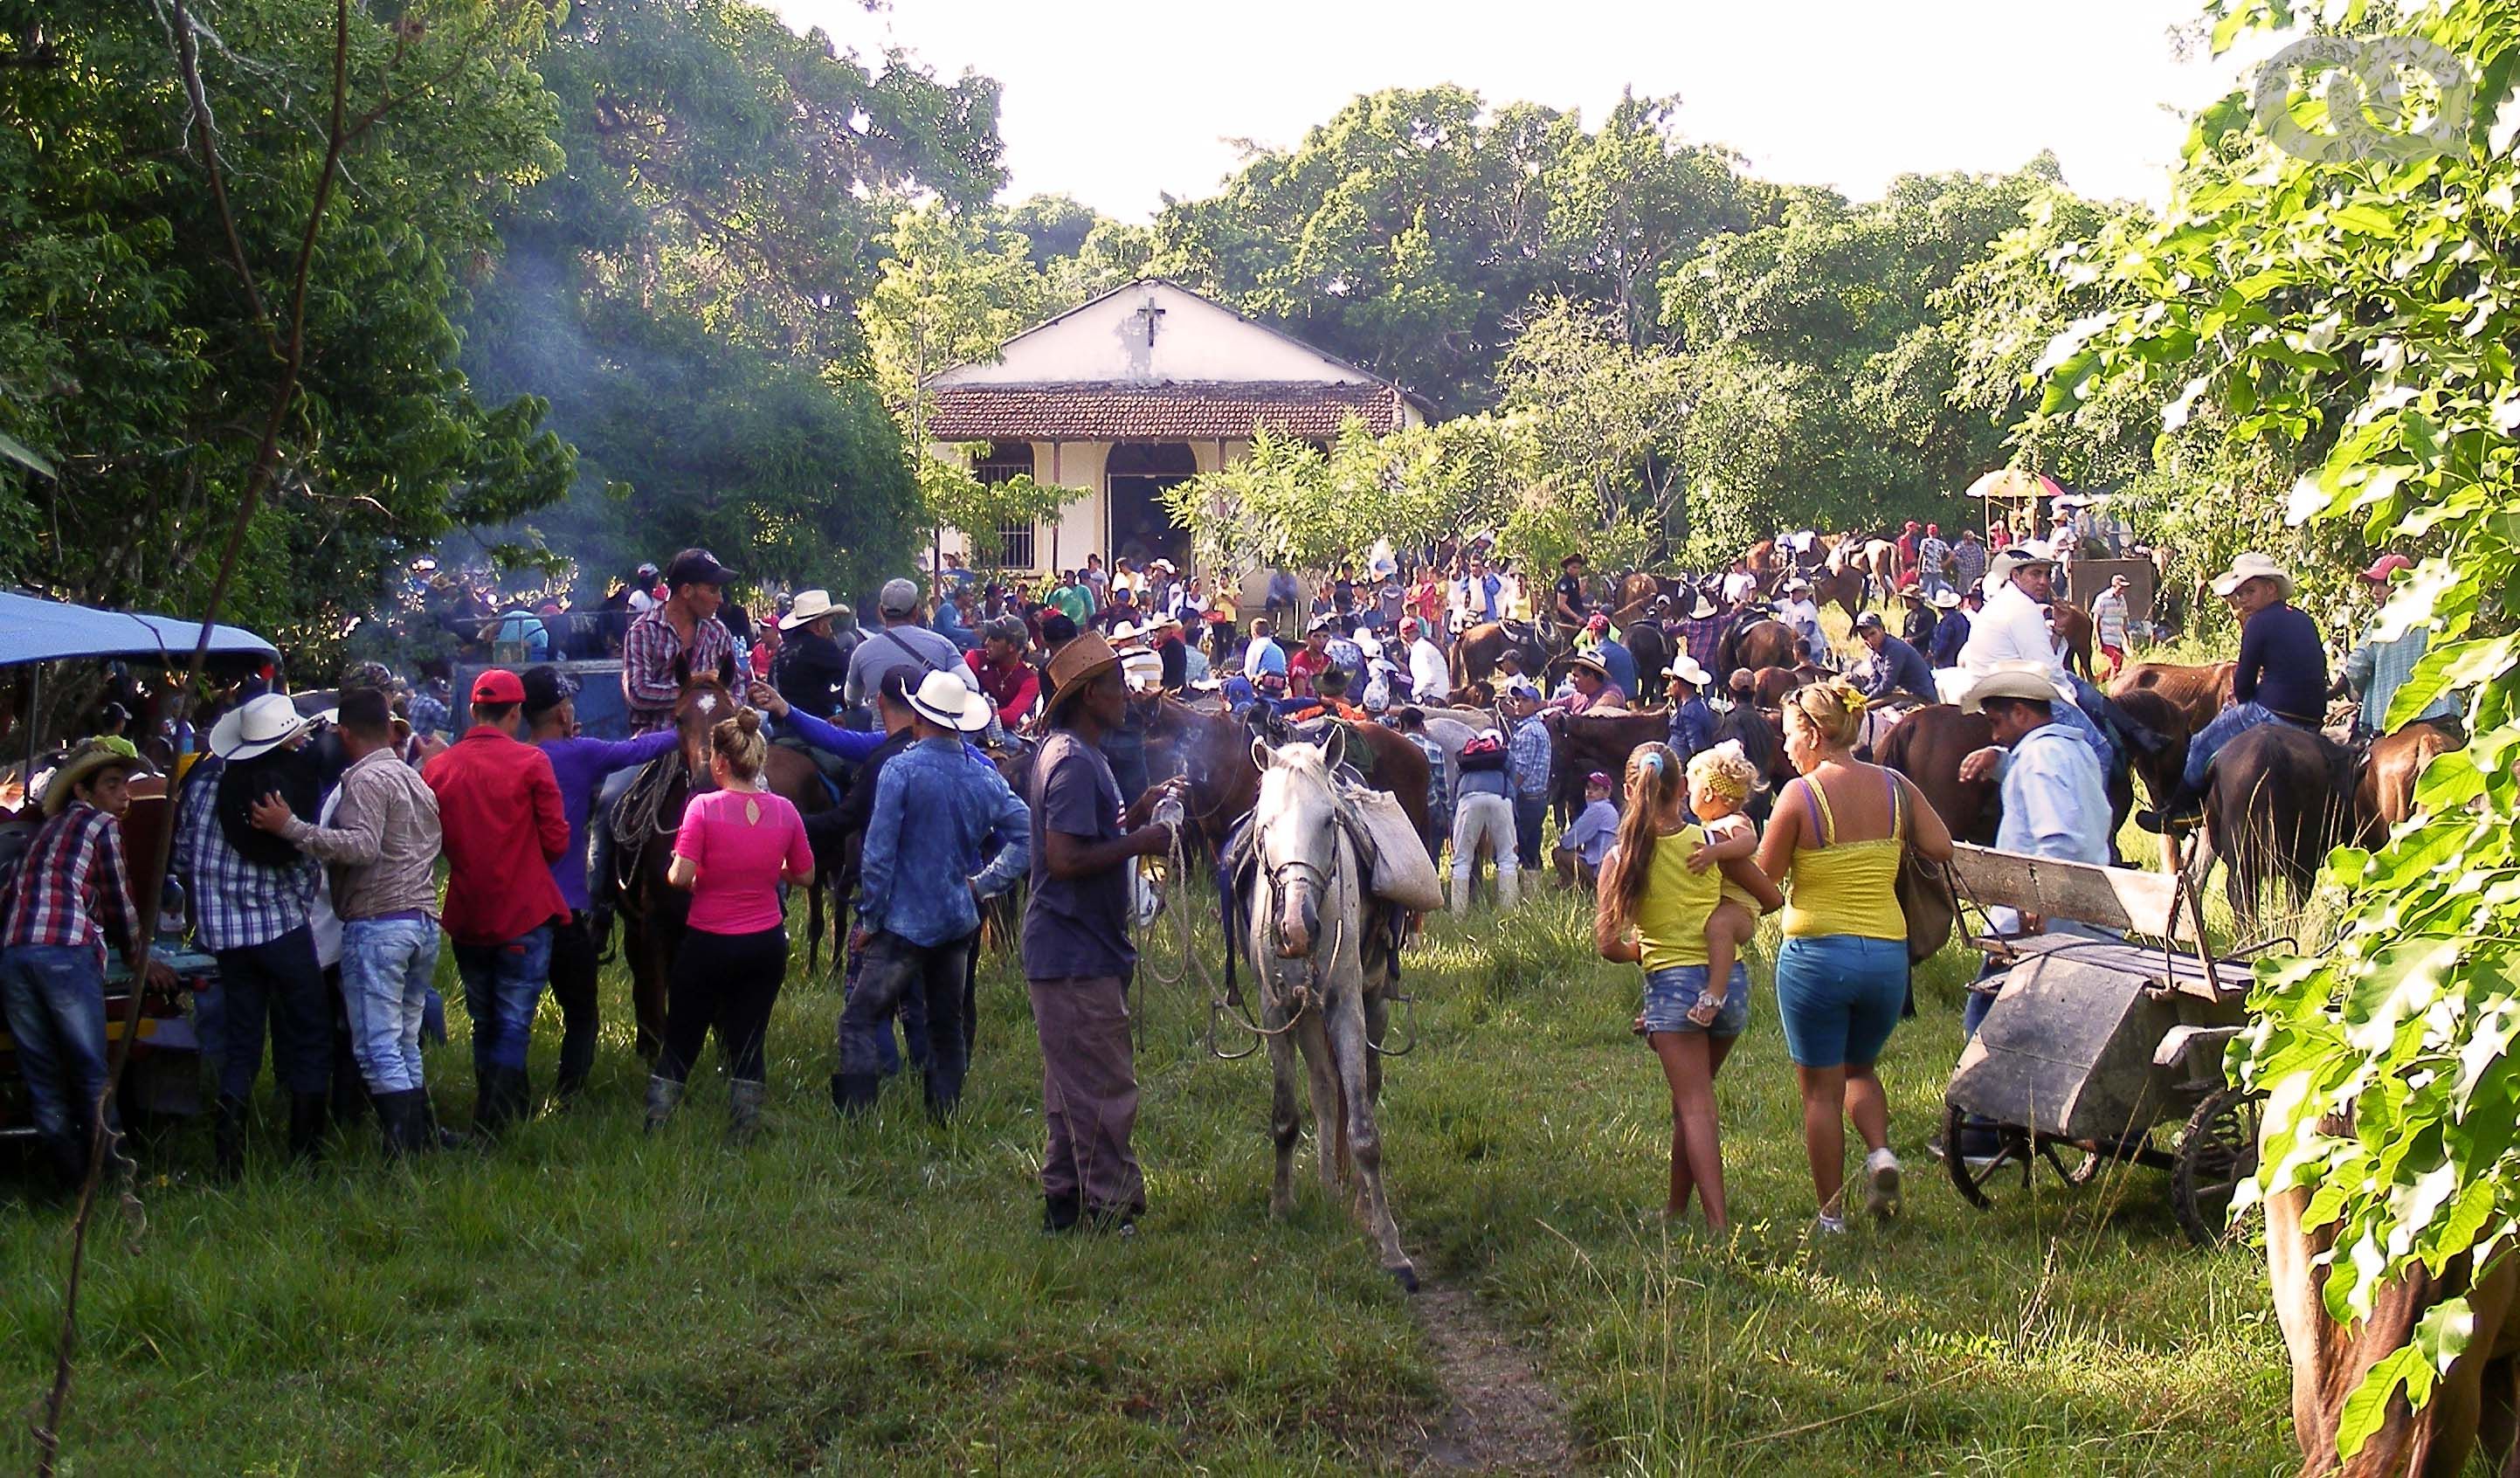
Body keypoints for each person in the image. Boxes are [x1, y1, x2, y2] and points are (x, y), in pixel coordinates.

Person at [1755, 680, 1956, 1234]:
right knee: (1860, 1068)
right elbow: (1940, 846)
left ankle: (1831, 1216)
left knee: (1820, 1090)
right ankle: (1880, 1155)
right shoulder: (1896, 785)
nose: (1785, 747)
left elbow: (1766, 882)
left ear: (1815, 735)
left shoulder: (1799, 797)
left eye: (1790, 735)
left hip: (1818, 955)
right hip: (1887, 958)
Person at [1591, 742, 1783, 1232]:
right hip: (1730, 986)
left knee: (1695, 1105)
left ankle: (1718, 1225)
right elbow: (1771, 897)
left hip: (1671, 986)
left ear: (1629, 790)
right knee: (1690, 1100)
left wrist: (1643, 952)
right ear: (1681, 790)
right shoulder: (1709, 843)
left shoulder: (1621, 858)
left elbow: (1608, 943)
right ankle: (1677, 1209)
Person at [1025, 632, 1180, 1234]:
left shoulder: (1076, 754)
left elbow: (1092, 833)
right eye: (1115, 685)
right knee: (1104, 1087)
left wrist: (1138, 809)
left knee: (1071, 1087)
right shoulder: (1071, 763)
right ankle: (1112, 1208)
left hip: (1075, 946)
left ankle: (1064, 1203)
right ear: (1089, 696)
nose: (1125, 695)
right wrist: (1141, 843)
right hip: (1073, 950)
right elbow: (1063, 859)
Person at [252, 688, 447, 1154]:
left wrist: (290, 828)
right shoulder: (414, 779)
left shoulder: (363, 780)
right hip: (421, 920)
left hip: (379, 924)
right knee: (404, 1041)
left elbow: (361, 847)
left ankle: (402, 1152)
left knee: (378, 1046)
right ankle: (417, 1142)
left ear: (343, 733)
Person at [836, 673, 1030, 1118]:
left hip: (902, 923)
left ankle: (857, 1120)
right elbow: (1026, 837)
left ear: (920, 717)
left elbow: (879, 854)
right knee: (947, 1025)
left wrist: (869, 920)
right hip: (956, 919)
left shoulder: (900, 770)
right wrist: (984, 883)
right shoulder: (983, 778)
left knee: (860, 1018)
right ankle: (944, 1116)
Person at [640, 709, 814, 1142]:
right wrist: (770, 868)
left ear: (718, 761)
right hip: (766, 943)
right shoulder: (785, 811)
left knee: (683, 1033)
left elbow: (680, 877)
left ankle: (657, 1125)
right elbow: (807, 875)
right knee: (749, 1037)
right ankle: (744, 1129)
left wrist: (697, 877)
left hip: (709, 942)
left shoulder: (702, 807)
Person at [1, 739, 169, 1185]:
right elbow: (119, 898)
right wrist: (140, 956)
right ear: (84, 792)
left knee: (42, 1075)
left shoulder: (44, 834)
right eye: (112, 785)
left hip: (15, 955)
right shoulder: (99, 825)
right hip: (63, 953)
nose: (123, 795)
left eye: (124, 785)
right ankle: (115, 1181)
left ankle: (71, 1182)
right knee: (91, 1071)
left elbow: (11, 896)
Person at [176, 693, 330, 1174]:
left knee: (241, 1045)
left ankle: (228, 1160)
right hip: (282, 930)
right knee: (310, 1035)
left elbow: (184, 858)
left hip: (227, 941)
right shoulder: (289, 794)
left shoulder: (203, 790)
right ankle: (305, 1156)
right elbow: (305, 866)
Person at [518, 666, 679, 1102]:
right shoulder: (582, 753)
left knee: (513, 1014)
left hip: (517, 911)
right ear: (563, 714)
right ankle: (569, 1095)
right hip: (565, 908)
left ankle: (506, 1101)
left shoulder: (515, 758)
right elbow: (642, 748)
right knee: (582, 1013)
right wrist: (685, 727)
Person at [423, 669, 570, 1136]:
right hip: (523, 912)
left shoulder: (439, 768)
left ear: (472, 710)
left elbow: (433, 842)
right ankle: (492, 1125)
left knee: (482, 1017)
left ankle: (497, 1111)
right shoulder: (531, 762)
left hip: (468, 912)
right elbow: (557, 841)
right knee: (512, 1021)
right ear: (515, 713)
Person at [2144, 552, 2330, 832]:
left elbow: (2243, 683)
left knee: (2200, 743)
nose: (2242, 600)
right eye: (2240, 593)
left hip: (2273, 712)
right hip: (2313, 718)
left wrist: (2241, 700)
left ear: (2271, 589)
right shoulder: (2304, 619)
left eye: (2249, 591)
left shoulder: (2258, 623)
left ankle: (2180, 813)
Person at [2338, 553, 2457, 739]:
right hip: (2441, 715)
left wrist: (2357, 691)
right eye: (2373, 584)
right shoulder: (2439, 615)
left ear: (2404, 584)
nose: (2374, 591)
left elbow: (2356, 667)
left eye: (2383, 583)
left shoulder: (2380, 622)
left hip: (2390, 720)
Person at [846, 577, 979, 709]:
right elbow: (972, 686)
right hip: (931, 728)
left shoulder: (862, 651)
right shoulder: (943, 645)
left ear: (881, 612)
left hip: (883, 729)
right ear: (916, 611)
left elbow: (851, 699)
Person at [1449, 727, 1519, 914]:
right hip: (1500, 799)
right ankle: (1508, 910)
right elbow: (1511, 785)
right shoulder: (1506, 756)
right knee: (1507, 858)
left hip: (1468, 799)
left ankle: (1458, 913)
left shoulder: (1467, 756)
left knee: (1461, 859)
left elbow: (1456, 786)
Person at [772, 589, 855, 720]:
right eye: (829, 623)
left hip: (780, 723)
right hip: (813, 726)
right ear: (820, 625)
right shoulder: (823, 648)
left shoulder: (782, 649)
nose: (831, 629)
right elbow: (849, 679)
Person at [1502, 682, 1554, 875]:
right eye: (1516, 700)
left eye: (1525, 700)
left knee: (1520, 846)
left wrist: (1507, 792)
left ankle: (1516, 894)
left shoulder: (1527, 732)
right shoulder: (1538, 728)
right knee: (1532, 846)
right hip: (1538, 797)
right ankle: (1533, 892)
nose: (1519, 704)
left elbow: (1521, 770)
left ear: (1536, 704)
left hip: (1526, 798)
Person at [1388, 708, 1451, 859]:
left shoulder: (1394, 748)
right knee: (1432, 856)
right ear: (1421, 725)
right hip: (1431, 808)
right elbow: (1442, 787)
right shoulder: (1435, 748)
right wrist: (1447, 813)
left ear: (1402, 725)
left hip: (1402, 810)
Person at [967, 616, 1041, 729]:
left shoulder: (1029, 679)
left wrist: (978, 715)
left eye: (995, 639)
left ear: (1012, 646)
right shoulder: (975, 658)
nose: (986, 643)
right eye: (988, 637)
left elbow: (1011, 717)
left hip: (999, 731)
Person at [1554, 771, 1619, 888]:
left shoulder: (1598, 809)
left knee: (1559, 853)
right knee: (1576, 849)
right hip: (1609, 867)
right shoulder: (1609, 809)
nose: (1590, 792)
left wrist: (1563, 839)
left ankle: (1572, 887)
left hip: (1599, 870)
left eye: (1596, 789)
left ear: (1607, 792)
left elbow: (1569, 841)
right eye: (1588, 788)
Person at [1852, 613, 1936, 704]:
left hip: (1921, 696)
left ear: (1881, 629)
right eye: (1865, 637)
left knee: (1874, 708)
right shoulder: (1876, 654)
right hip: (1904, 694)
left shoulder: (1894, 649)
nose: (1870, 640)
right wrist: (1862, 693)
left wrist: (1867, 698)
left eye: (1873, 633)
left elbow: (1887, 685)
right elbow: (1876, 680)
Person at [1664, 657, 1718, 766]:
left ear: (1678, 683)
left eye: (1672, 680)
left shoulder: (1689, 713)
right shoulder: (1697, 703)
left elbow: (1696, 748)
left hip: (1681, 765)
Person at [1545, 653, 1626, 715]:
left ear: (1590, 677)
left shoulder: (1612, 691)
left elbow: (1607, 702)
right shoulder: (1578, 696)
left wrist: (1583, 718)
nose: (1572, 680)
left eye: (1576, 676)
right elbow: (1553, 704)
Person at [1399, 618, 1449, 705]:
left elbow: (1429, 677)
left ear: (1404, 636)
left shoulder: (1419, 650)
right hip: (1442, 693)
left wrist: (1415, 693)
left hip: (1433, 696)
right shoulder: (1427, 645)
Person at [1674, 593, 1724, 677]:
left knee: (1689, 685)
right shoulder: (1717, 622)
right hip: (1708, 663)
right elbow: (1731, 616)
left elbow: (1672, 630)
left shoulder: (1689, 624)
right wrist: (1739, 607)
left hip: (1692, 663)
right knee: (1710, 682)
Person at [1776, 579, 1826, 666]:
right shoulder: (1786, 603)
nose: (1792, 595)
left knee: (1811, 672)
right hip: (1798, 648)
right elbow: (1771, 607)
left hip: (1812, 649)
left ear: (1803, 593)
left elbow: (1810, 625)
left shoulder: (1807, 607)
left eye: (1795, 592)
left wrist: (1804, 636)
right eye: (1791, 592)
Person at [2092, 574, 2132, 680]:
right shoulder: (2103, 598)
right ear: (2114, 586)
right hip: (2107, 638)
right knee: (2115, 664)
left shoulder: (2122, 599)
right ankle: (2113, 691)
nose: (2122, 590)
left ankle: (2096, 681)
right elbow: (2096, 621)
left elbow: (2123, 620)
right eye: (2120, 587)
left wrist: (2127, 639)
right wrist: (2099, 641)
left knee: (2116, 667)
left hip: (2117, 639)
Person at [1929, 587, 1971, 669]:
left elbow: (1942, 644)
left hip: (1947, 662)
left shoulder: (1947, 623)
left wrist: (1935, 656)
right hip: (1962, 659)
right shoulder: (1962, 618)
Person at [1243, 618, 1288, 687]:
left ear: (1254, 633)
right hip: (1279, 688)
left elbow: (1249, 673)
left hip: (1262, 687)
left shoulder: (1255, 646)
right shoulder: (1279, 650)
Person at [1552, 553, 1591, 631]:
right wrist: (1577, 618)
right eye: (1574, 567)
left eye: (1579, 568)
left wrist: (1592, 607)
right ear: (1567, 568)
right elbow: (1561, 605)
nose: (1577, 570)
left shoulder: (1575, 580)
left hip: (1581, 612)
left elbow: (1576, 602)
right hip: (1570, 618)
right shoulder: (1564, 582)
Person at [1899, 583, 1939, 655]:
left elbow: (1930, 632)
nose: (1905, 602)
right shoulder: (1909, 615)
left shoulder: (1928, 614)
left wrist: (1913, 640)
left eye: (1906, 599)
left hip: (1923, 652)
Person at [1950, 527, 1988, 597]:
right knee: (1967, 591)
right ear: (1966, 539)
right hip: (1966, 574)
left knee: (1977, 590)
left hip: (1977, 573)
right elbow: (1953, 556)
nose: (1972, 540)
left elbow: (1981, 556)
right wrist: (1962, 562)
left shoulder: (1976, 545)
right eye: (1971, 538)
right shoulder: (1960, 546)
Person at [1917, 524, 1951, 597]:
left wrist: (1918, 569)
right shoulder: (1941, 543)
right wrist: (1945, 563)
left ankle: (1923, 603)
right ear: (1937, 532)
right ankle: (1937, 603)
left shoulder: (1925, 542)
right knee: (1936, 590)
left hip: (1927, 569)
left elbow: (1921, 556)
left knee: (1923, 589)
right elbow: (1952, 555)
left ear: (1928, 532)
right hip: (1938, 570)